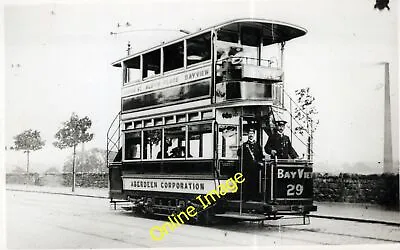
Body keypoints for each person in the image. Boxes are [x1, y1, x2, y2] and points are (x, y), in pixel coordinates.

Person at [237, 128, 263, 201]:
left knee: (255, 182)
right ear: (247, 135)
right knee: (246, 182)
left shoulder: (257, 145)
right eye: (249, 134)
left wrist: (260, 162)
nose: (251, 135)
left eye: (252, 134)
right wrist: (240, 147)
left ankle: (255, 197)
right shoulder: (244, 145)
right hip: (247, 167)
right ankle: (246, 197)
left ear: (254, 135)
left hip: (255, 167)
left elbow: (261, 156)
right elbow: (239, 153)